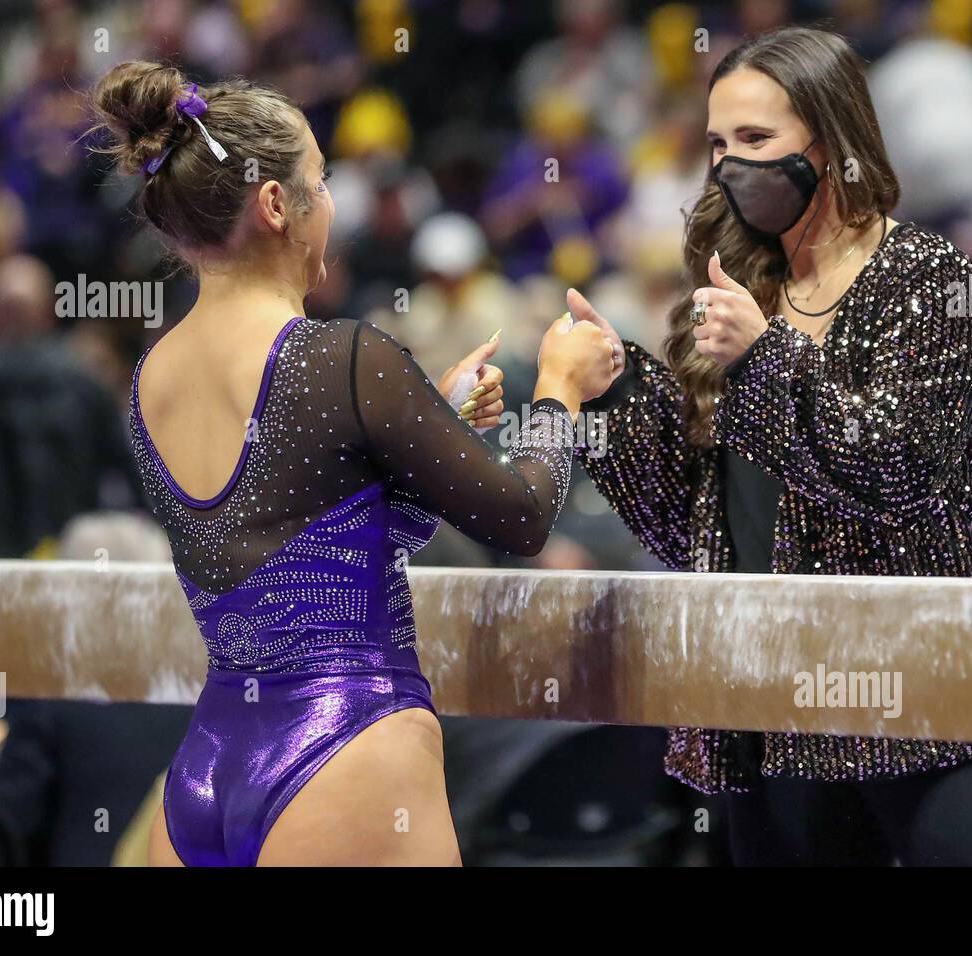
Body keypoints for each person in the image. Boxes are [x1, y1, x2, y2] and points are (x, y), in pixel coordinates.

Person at [92, 61, 618, 866]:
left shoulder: (148, 381)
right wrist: (559, 388)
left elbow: (301, 538)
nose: (331, 204)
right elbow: (523, 515)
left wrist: (424, 427)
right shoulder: (340, 360)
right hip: (344, 753)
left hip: (206, 769)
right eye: (321, 179)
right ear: (276, 205)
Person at [569, 27, 972, 865]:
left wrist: (766, 356)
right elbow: (693, 526)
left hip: (934, 710)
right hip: (780, 717)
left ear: (830, 145)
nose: (730, 166)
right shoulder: (732, 288)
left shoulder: (931, 278)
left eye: (757, 141)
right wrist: (608, 391)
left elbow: (896, 470)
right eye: (719, 143)